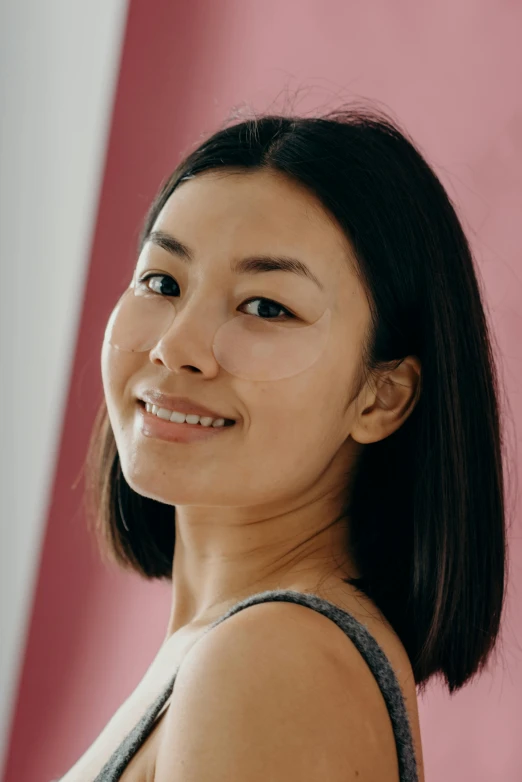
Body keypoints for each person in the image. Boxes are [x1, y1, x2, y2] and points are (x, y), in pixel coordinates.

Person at [62, 104, 508, 781]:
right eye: (162, 283)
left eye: (266, 306)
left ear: (381, 396)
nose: (174, 347)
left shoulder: (270, 661)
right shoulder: (229, 648)